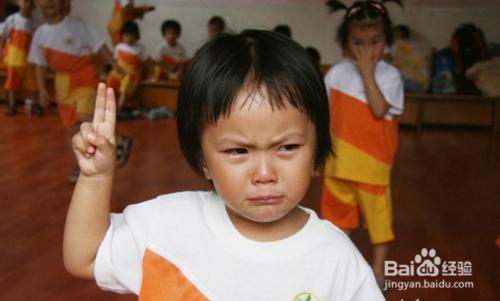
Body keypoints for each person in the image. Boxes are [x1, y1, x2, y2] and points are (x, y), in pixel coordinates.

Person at [63, 30, 384, 300]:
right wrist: (95, 178)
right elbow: (86, 258)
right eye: (237, 151)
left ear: (316, 151)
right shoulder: (167, 225)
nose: (265, 175)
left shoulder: (338, 262)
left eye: (287, 147)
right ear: (202, 158)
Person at [322, 0, 404, 289]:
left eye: (375, 41)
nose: (366, 50)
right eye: (357, 42)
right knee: (337, 221)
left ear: (387, 43)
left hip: (373, 167)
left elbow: (380, 110)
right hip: (338, 163)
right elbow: (324, 117)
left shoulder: (390, 76)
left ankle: (379, 270)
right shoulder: (335, 74)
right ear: (345, 44)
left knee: (379, 224)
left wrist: (368, 73)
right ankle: (338, 268)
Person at [28, 0, 122, 183]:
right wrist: (41, 89)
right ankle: (82, 165)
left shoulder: (77, 25)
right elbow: (39, 65)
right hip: (62, 85)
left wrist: (115, 64)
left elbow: (99, 45)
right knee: (72, 128)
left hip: (84, 76)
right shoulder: (39, 34)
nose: (50, 3)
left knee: (85, 115)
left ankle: (117, 140)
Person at [106, 21, 146, 166]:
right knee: (111, 79)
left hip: (132, 73)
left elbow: (141, 65)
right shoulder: (119, 47)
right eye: (126, 35)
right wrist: (117, 70)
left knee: (127, 82)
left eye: (132, 35)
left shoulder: (140, 49)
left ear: (137, 36)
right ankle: (109, 104)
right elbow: (116, 62)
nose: (129, 38)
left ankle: (119, 108)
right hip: (119, 70)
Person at [0, 0, 40, 116]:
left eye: (30, 3)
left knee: (32, 85)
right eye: (25, 2)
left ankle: (35, 105)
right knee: (12, 83)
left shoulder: (35, 24)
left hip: (28, 60)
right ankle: (12, 105)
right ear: (19, 3)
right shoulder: (12, 19)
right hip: (13, 58)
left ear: (33, 7)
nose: (27, 5)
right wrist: (1, 51)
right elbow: (5, 36)